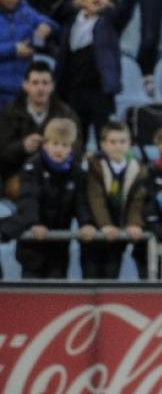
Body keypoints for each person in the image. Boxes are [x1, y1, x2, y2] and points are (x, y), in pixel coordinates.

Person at [56, 0, 141, 147]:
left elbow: (125, 9)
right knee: (75, 139)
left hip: (101, 91)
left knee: (106, 137)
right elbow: (55, 13)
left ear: (109, 1)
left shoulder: (110, 22)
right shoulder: (72, 20)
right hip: (73, 89)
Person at [10, 118, 93, 279]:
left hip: (59, 246)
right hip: (33, 246)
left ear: (71, 148)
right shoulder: (32, 166)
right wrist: (33, 223)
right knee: (32, 286)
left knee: (57, 285)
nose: (59, 149)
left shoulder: (76, 172)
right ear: (45, 144)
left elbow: (81, 202)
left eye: (65, 145)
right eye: (55, 144)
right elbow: (28, 198)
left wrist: (86, 223)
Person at [0, 61, 80, 195]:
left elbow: (77, 149)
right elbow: (2, 151)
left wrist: (56, 150)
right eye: (35, 83)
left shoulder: (65, 113)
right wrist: (23, 146)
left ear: (52, 86)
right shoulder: (10, 111)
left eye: (45, 83)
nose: (40, 88)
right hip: (19, 174)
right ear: (25, 85)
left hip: (58, 175)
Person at [82, 122, 148, 280]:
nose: (118, 146)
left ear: (129, 143)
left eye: (122, 141)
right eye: (113, 142)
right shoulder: (93, 167)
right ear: (102, 144)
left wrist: (134, 223)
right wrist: (105, 225)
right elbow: (95, 198)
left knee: (111, 277)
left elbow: (137, 200)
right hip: (95, 231)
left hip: (118, 234)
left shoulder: (139, 169)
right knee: (90, 277)